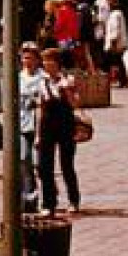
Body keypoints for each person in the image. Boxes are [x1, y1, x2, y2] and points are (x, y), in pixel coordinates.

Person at [33, 47, 82, 216]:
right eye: (44, 61)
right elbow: (40, 108)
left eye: (50, 61)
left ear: (58, 63)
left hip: (65, 124)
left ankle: (73, 199)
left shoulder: (67, 80)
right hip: (47, 124)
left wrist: (67, 90)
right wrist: (38, 134)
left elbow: (75, 104)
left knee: (67, 164)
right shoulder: (41, 81)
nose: (47, 65)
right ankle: (49, 202)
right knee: (44, 166)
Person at [15, 43, 46, 212]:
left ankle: (46, 194)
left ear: (36, 59)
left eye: (30, 57)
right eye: (24, 57)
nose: (26, 61)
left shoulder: (43, 77)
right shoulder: (18, 77)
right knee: (24, 159)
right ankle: (28, 195)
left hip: (39, 124)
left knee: (39, 164)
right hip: (22, 123)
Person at [101, 0, 128, 89]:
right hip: (117, 43)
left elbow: (115, 29)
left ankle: (119, 80)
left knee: (113, 62)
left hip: (115, 43)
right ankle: (122, 80)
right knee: (118, 62)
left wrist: (112, 43)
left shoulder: (115, 14)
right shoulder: (118, 13)